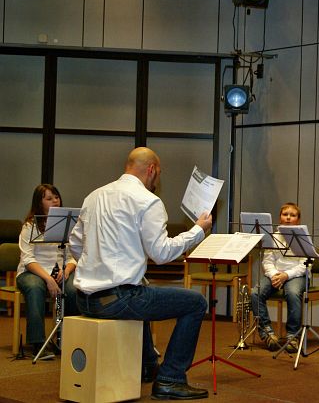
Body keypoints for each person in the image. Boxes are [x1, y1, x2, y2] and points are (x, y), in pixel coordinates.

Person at [69, 147, 213, 400]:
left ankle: (147, 367)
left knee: (141, 290)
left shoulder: (94, 196)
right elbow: (162, 253)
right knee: (195, 303)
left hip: (84, 299)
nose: (157, 181)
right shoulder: (148, 201)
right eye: (159, 174)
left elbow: (76, 245)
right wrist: (198, 231)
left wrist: (99, 268)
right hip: (116, 301)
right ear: (152, 170)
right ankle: (170, 379)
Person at [16, 184, 79, 358]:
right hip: (32, 272)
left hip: (60, 270)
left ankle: (65, 339)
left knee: (73, 289)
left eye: (56, 197)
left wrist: (67, 270)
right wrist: (48, 279)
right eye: (49, 198)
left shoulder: (68, 224)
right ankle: (38, 343)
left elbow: (74, 255)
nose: (55, 201)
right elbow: (28, 259)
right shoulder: (30, 226)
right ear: (39, 202)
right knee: (35, 288)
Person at [251, 202, 306, 353]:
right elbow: (267, 261)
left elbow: (305, 265)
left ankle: (292, 336)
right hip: (275, 274)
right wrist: (275, 275)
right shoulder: (273, 237)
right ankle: (267, 333)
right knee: (255, 293)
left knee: (293, 293)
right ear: (280, 217)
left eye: (292, 215)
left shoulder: (303, 237)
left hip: (295, 275)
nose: (288, 218)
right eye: (285, 214)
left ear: (298, 220)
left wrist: (286, 275)